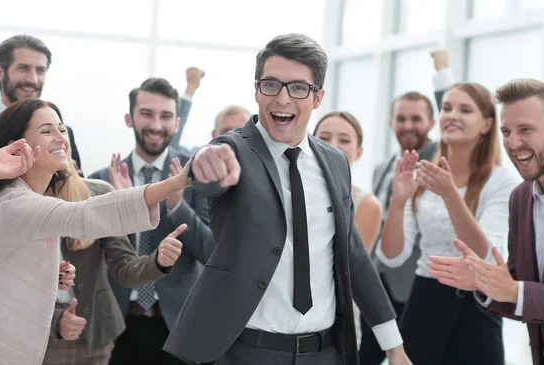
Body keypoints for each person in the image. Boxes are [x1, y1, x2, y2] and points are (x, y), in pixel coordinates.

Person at [163, 33, 411, 365]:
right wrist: (207, 168)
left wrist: (394, 348)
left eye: (297, 88)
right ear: (256, 90)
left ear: (318, 97)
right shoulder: (233, 149)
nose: (282, 99)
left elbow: (354, 257)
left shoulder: (335, 162)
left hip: (324, 353)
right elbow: (209, 173)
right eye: (271, 85)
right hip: (246, 353)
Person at [0, 98, 189, 365]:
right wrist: (175, 183)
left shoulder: (13, 198)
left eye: (61, 129)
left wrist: (46, 273)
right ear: (18, 145)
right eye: (47, 131)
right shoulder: (15, 203)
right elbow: (86, 215)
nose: (60, 137)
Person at [376, 82, 520, 364]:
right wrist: (398, 200)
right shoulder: (422, 175)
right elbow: (392, 256)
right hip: (424, 301)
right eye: (447, 108)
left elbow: (486, 255)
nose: (452, 115)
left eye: (465, 110)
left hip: (477, 305)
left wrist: (450, 193)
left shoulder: (501, 182)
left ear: (486, 125)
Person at [89, 77, 214, 365]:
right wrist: (120, 208)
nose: (156, 125)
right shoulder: (101, 180)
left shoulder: (196, 175)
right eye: (146, 113)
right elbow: (90, 254)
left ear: (177, 123)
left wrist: (177, 205)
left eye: (165, 116)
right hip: (117, 325)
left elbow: (210, 251)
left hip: (179, 325)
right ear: (129, 118)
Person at [428, 78, 544, 365]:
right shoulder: (521, 198)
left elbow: (518, 291)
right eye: (506, 131)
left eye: (526, 130)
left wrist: (514, 290)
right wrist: (485, 283)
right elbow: (516, 286)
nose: (514, 143)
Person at [43, 153, 185, 365]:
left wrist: (158, 261)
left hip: (95, 332)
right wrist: (56, 320)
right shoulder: (15, 201)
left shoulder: (97, 194)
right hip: (41, 332)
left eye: (62, 135)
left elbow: (125, 269)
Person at [361, 90, 438, 365]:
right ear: (391, 123)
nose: (408, 126)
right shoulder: (383, 167)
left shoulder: (440, 164)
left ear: (431, 122)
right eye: (401, 118)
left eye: (416, 119)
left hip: (415, 288)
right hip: (378, 285)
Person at [0, 35, 83, 176]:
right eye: (23, 68)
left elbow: (81, 192)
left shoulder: (64, 134)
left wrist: (70, 180)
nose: (33, 79)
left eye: (40, 70)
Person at [313, 111, 382, 349]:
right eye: (324, 137)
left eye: (344, 140)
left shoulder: (366, 205)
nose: (333, 145)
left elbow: (347, 271)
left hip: (337, 324)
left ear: (358, 152)